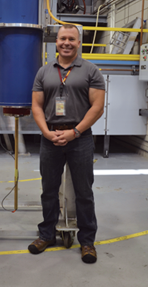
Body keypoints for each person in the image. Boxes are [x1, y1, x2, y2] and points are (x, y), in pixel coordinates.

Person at [28, 24, 105, 263]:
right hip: (50, 139)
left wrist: (75, 131)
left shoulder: (91, 71)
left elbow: (97, 107)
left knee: (84, 191)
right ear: (56, 41)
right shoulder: (44, 72)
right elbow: (37, 106)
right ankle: (46, 234)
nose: (67, 43)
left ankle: (87, 242)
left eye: (72, 39)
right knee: (48, 190)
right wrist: (47, 132)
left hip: (80, 139)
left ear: (79, 42)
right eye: (63, 38)